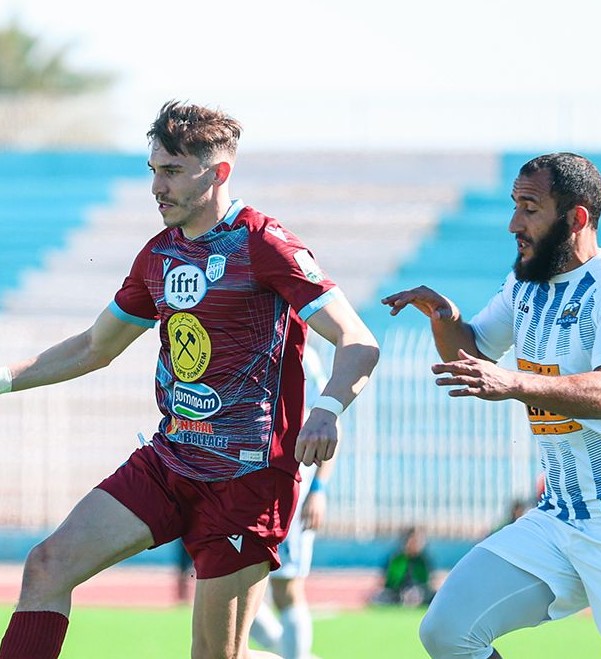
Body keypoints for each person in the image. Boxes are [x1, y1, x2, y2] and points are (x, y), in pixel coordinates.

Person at [0, 100, 379, 659]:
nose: (157, 186)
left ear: (218, 172)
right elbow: (93, 347)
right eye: (154, 170)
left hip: (247, 478)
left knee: (214, 654)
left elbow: (358, 340)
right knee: (47, 566)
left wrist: (326, 409)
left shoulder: (265, 243)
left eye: (173, 171)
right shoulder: (160, 255)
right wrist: (4, 378)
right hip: (171, 460)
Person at [382, 152, 601, 659]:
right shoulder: (525, 285)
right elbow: (474, 354)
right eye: (514, 205)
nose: (514, 223)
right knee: (447, 631)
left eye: (529, 208)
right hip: (559, 519)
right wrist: (445, 319)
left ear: (576, 217)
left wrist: (514, 383)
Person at [249, 344, 335, 658]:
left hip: (290, 492)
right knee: (232, 585)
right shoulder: (242, 345)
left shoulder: (299, 355)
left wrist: (318, 490)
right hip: (246, 490)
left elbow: (327, 426)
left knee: (286, 587)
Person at [371, 526, 435, 607]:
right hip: (397, 593)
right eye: (414, 541)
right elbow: (388, 580)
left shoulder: (422, 560)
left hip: (419, 592)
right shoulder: (397, 559)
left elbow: (426, 581)